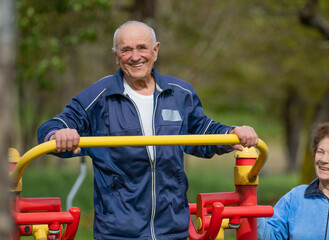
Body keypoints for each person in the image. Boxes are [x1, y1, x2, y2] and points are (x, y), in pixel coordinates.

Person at [37, 20, 258, 240]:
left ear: (155, 50)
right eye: (126, 50)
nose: (135, 56)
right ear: (116, 56)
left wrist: (232, 133)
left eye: (142, 48)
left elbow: (203, 131)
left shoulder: (179, 93)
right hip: (118, 232)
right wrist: (59, 134)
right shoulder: (100, 96)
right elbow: (52, 127)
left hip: (173, 230)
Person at [257, 122, 329, 240]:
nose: (323, 159)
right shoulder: (295, 198)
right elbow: (271, 236)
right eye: (320, 152)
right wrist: (253, 216)